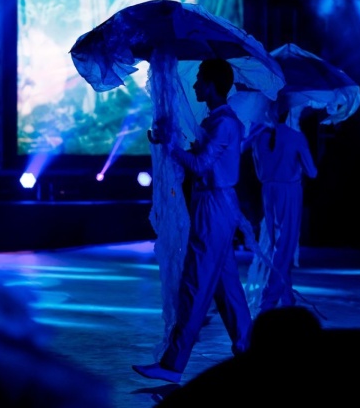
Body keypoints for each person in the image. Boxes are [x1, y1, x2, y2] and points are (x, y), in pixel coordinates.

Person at [133, 58, 252, 384]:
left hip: (214, 206)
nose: (196, 85)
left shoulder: (224, 123)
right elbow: (201, 161)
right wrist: (169, 141)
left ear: (212, 85)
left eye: (200, 79)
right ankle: (249, 348)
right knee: (227, 288)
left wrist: (171, 145)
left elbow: (199, 166)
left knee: (195, 284)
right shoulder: (217, 121)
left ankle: (173, 364)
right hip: (214, 204)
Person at [243, 102, 318, 314]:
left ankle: (287, 298)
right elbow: (312, 172)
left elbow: (258, 171)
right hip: (289, 191)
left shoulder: (259, 138)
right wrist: (296, 164)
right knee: (285, 246)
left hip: (268, 192)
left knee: (278, 244)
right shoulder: (295, 137)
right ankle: (269, 299)